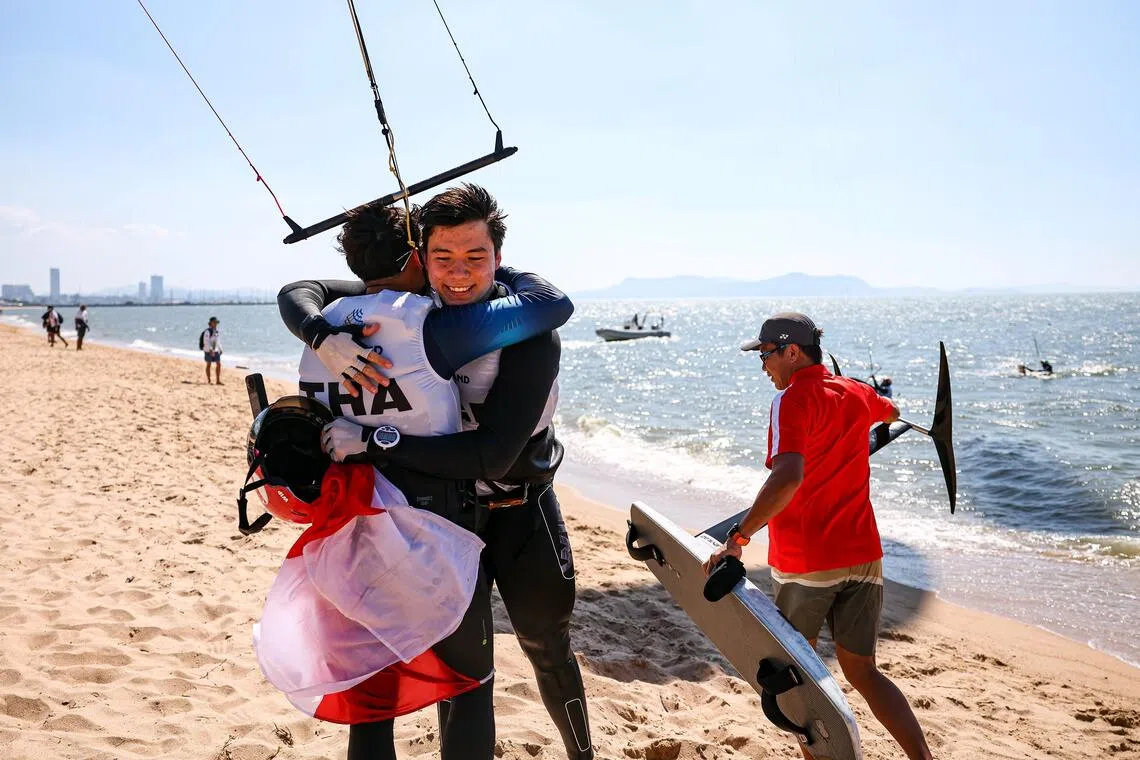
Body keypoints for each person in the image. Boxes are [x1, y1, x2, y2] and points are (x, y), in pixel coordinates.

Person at [278, 184, 594, 760]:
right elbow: (304, 291)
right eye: (442, 258)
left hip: (520, 507)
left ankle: (582, 755)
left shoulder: (525, 331)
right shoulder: (411, 312)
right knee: (463, 670)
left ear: (499, 258)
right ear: (419, 259)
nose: (458, 275)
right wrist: (320, 337)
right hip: (442, 515)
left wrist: (373, 442)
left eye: (477, 258)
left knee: (547, 646)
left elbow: (493, 454)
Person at [704, 312, 933, 760]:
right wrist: (856, 409)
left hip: (808, 562)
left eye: (767, 355)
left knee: (800, 680)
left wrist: (740, 536)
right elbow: (893, 411)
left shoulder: (791, 400)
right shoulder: (855, 394)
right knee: (863, 671)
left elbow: (787, 477)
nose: (764, 366)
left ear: (791, 351)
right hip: (864, 557)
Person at [199, 317, 222, 384]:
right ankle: (209, 380)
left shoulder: (216, 331)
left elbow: (218, 341)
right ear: (210, 323)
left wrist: (220, 349)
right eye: (214, 322)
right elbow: (206, 342)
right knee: (209, 364)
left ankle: (218, 380)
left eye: (216, 322)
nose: (215, 324)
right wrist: (210, 349)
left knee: (219, 364)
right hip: (208, 350)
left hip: (216, 350)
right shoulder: (207, 331)